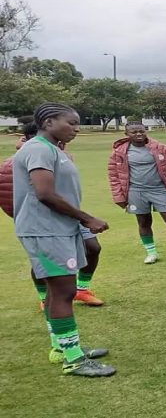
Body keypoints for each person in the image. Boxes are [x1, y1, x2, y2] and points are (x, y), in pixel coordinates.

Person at [14, 102, 115, 376]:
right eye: (70, 123)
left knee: (57, 291)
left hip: (58, 228)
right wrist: (87, 218)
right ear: (48, 123)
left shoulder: (52, 149)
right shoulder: (37, 149)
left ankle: (62, 348)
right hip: (45, 230)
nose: (76, 128)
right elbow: (44, 194)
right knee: (64, 291)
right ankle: (74, 360)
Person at [1, 123, 106, 308]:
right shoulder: (21, 160)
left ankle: (81, 290)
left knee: (92, 247)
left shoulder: (60, 154)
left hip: (72, 213)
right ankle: (44, 298)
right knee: (43, 262)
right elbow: (10, 193)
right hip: (43, 222)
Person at [108, 121, 166, 264]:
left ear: (145, 131)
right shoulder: (119, 152)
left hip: (160, 189)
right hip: (136, 191)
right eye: (134, 132)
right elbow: (114, 176)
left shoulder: (161, 148)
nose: (138, 134)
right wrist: (119, 196)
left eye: (141, 131)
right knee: (143, 222)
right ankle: (151, 253)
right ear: (127, 134)